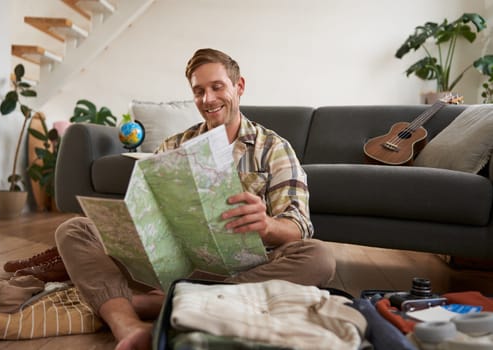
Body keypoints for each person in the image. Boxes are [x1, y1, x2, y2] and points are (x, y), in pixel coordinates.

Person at [54, 48, 336, 350]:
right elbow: (145, 210)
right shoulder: (174, 145)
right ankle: (128, 324)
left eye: (217, 87)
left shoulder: (274, 148)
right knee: (74, 229)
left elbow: (299, 225)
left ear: (238, 87)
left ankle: (153, 303)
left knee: (319, 257)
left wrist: (267, 226)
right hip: (173, 264)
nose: (208, 99)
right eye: (199, 91)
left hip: (246, 269)